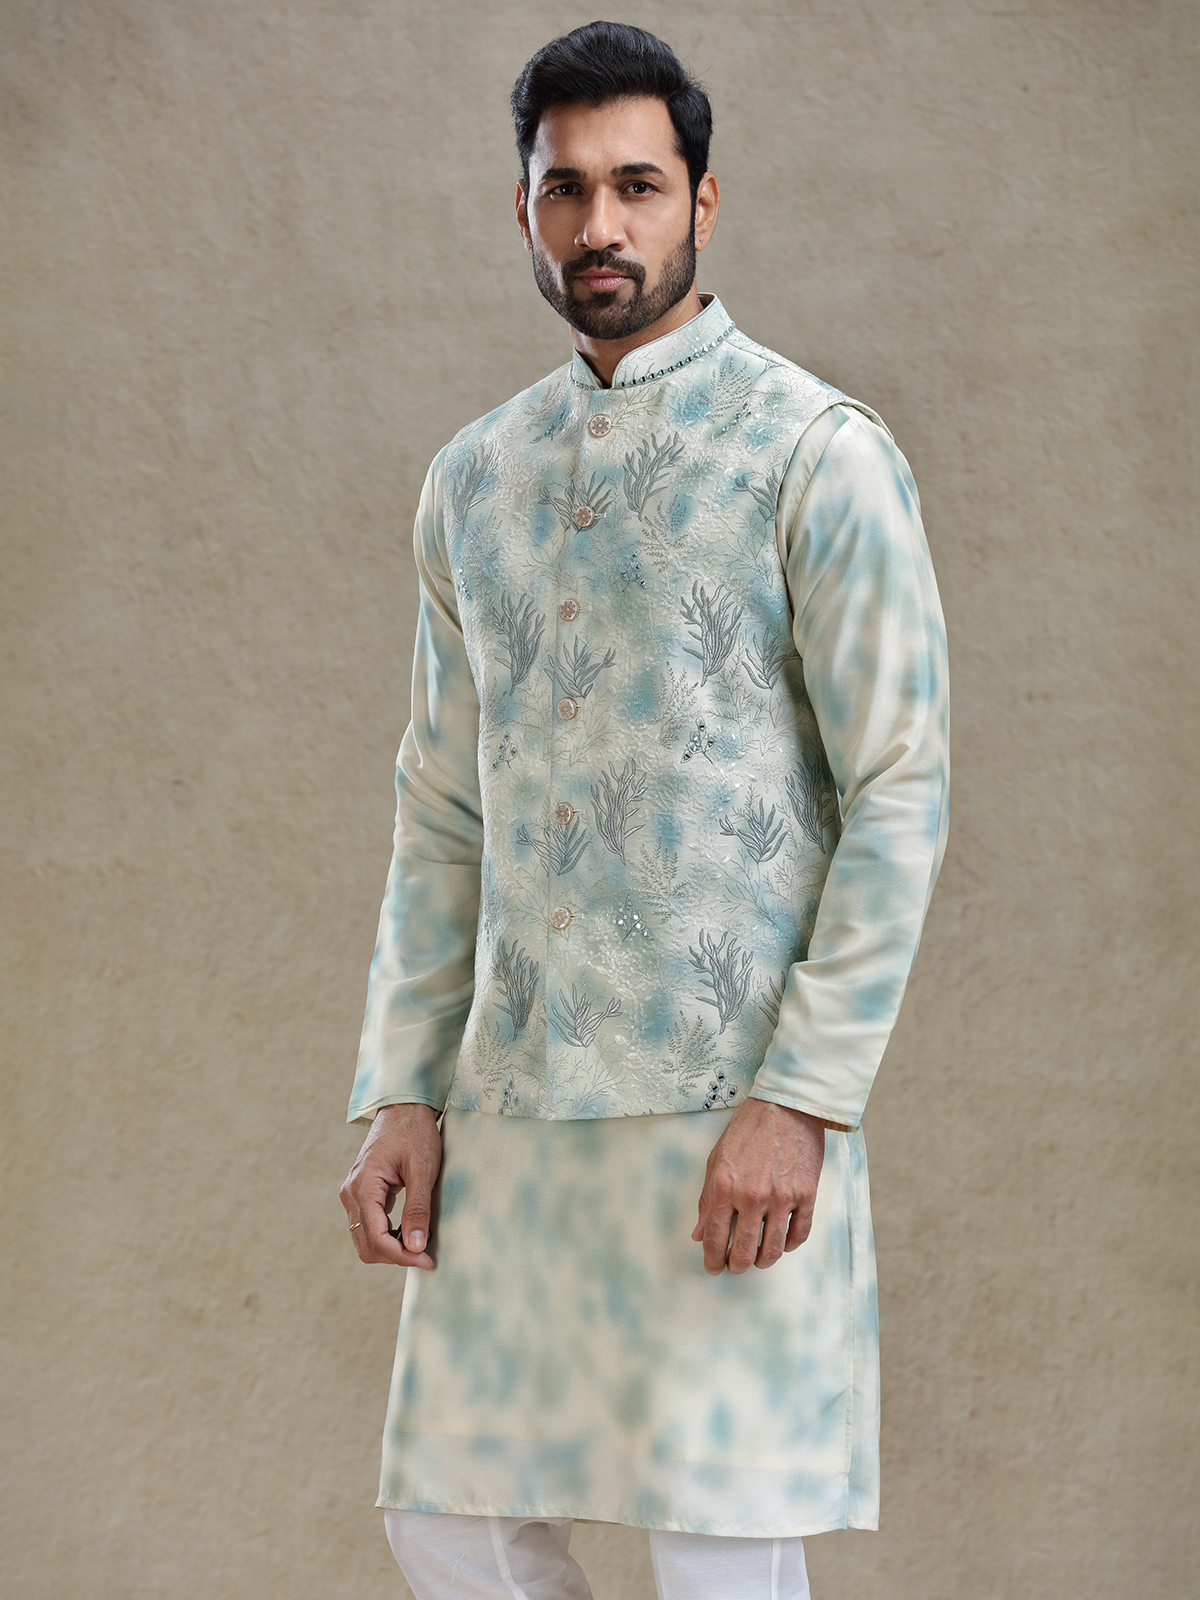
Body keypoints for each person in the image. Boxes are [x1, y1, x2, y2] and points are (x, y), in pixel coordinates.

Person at [340, 21, 949, 1600]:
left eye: (638, 185)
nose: (599, 224)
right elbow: (442, 808)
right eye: (565, 189)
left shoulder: (813, 451)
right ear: (523, 209)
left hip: (724, 1106)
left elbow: (899, 789)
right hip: (515, 1106)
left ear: (703, 202)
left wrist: (804, 1099)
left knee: (715, 1540)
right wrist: (401, 1091)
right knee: (449, 1519)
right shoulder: (475, 479)